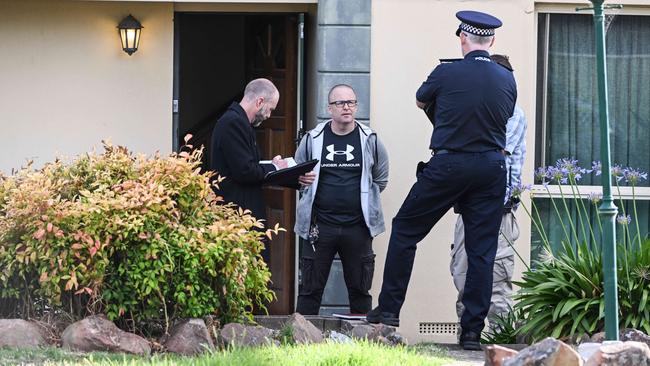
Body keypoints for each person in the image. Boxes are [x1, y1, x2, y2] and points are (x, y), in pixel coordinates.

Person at [366, 11, 517, 351]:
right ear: (491, 41)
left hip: (450, 164)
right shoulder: (507, 79)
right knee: (482, 250)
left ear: (463, 38)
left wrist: (445, 112)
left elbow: (421, 100)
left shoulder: (446, 71)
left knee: (405, 229)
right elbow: (503, 114)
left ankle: (389, 311)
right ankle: (471, 333)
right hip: (492, 168)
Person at [294, 84, 389, 315]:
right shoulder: (313, 139)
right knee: (309, 290)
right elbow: (297, 175)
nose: (346, 107)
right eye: (340, 103)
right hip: (319, 227)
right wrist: (300, 181)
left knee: (360, 290)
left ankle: (362, 344)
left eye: (351, 102)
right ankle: (300, 341)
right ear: (329, 108)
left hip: (358, 228)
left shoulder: (370, 140)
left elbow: (381, 179)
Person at [450, 54, 527, 335]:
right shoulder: (480, 112)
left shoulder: (513, 114)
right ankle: (467, 339)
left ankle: (498, 344)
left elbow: (493, 147)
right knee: (462, 274)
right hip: (468, 208)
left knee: (495, 283)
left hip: (498, 211)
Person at [210, 78, 289, 228]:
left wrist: (272, 165)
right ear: (260, 102)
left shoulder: (239, 122)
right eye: (270, 109)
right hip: (238, 215)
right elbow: (245, 171)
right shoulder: (233, 123)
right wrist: (276, 168)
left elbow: (247, 163)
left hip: (241, 212)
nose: (269, 116)